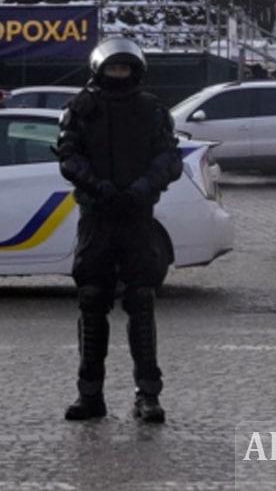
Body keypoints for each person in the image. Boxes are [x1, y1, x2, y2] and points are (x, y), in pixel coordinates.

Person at [56, 37, 183, 424]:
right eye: (113, 68)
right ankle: (89, 393)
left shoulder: (152, 110)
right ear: (100, 70)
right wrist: (97, 186)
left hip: (137, 215)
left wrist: (144, 186)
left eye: (124, 68)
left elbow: (169, 157)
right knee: (92, 300)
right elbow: (68, 156)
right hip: (97, 215)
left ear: (135, 70)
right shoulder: (80, 108)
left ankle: (148, 394)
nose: (118, 74)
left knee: (141, 301)